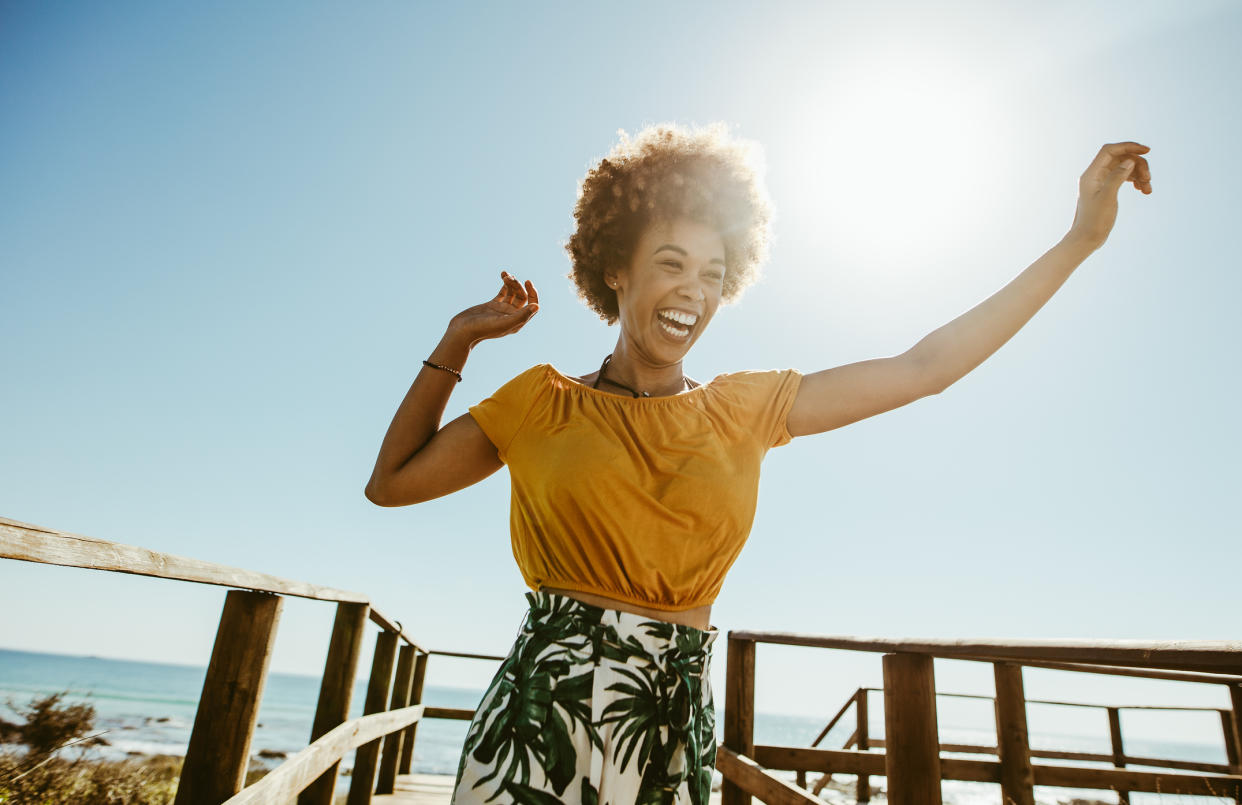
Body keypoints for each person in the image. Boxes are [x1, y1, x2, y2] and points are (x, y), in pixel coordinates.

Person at [364, 122, 1152, 804]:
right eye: (671, 263)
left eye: (712, 274)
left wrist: (1080, 239)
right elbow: (391, 482)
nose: (692, 293)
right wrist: (458, 338)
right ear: (615, 268)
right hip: (539, 716)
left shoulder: (745, 408)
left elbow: (925, 367)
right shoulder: (540, 402)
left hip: (666, 725)